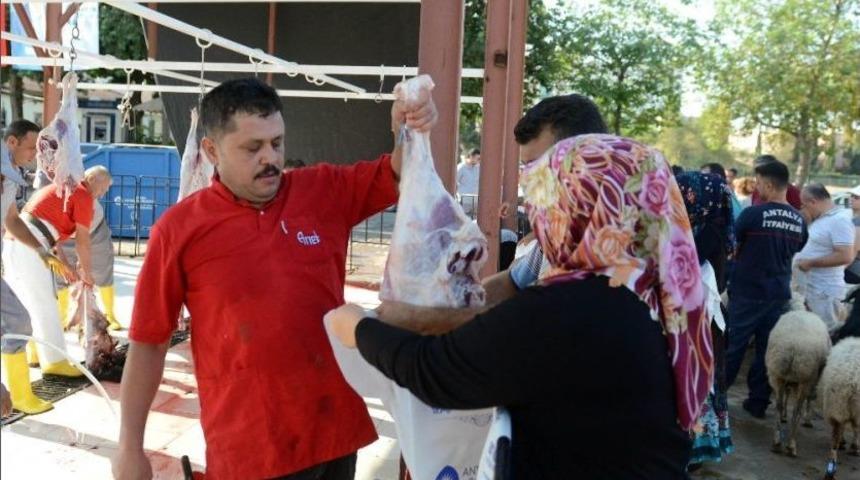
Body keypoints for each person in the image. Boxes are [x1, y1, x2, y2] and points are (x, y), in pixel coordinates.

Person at [111, 77, 437, 480]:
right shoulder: (179, 230)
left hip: (332, 431)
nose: (271, 158)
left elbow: (401, 172)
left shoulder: (321, 191)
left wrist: (408, 128)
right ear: (211, 151)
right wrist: (129, 446)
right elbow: (148, 343)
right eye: (253, 148)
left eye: (277, 143)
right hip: (249, 447)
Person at [330, 134, 710, 479]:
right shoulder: (661, 294)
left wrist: (360, 329)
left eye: (548, 200)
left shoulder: (575, 307)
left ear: (580, 207)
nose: (540, 218)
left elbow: (438, 371)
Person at [375, 93, 610, 332]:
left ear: (585, 161)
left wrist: (425, 319)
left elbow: (537, 319)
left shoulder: (614, 239)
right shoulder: (557, 232)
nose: (528, 180)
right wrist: (452, 303)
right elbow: (512, 282)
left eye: (540, 166)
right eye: (525, 168)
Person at [2, 166, 112, 377]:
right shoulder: (83, 195)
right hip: (31, 243)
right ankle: (55, 361)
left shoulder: (65, 189)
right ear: (91, 180)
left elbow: (50, 232)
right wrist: (87, 274)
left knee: (27, 302)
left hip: (17, 241)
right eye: (104, 187)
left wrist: (64, 264)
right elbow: (82, 241)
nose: (103, 193)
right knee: (46, 304)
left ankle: (34, 353)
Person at [725, 159, 807, 418]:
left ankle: (716, 397)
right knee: (765, 350)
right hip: (778, 295)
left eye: (759, 182)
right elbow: (797, 249)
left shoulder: (753, 215)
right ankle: (758, 401)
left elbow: (732, 244)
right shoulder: (799, 220)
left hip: (747, 293)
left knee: (733, 346)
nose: (756, 187)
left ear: (770, 184)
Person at [675, 172, 735, 468]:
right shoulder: (719, 227)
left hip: (695, 319)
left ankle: (691, 447)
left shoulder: (701, 232)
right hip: (704, 318)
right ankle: (695, 447)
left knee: (693, 380)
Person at [1, 144, 54, 414]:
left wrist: (42, 250)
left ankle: (19, 394)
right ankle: (17, 394)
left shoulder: (8, 184)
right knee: (16, 321)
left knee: (15, 321)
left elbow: (11, 220)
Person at [795, 183, 855, 332]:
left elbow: (845, 255)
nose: (803, 209)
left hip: (825, 293)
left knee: (825, 334)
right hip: (812, 290)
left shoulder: (839, 220)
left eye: (804, 205)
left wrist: (810, 263)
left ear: (813, 202)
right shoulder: (822, 218)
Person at [4, 120, 40, 206]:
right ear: (12, 142)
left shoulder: (18, 168)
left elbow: (25, 176)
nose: (35, 155)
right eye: (32, 148)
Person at [844, 185, 860, 285]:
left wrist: (835, 273)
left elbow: (853, 252)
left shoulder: (858, 222)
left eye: (856, 197)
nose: (852, 198)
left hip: (854, 270)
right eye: (851, 195)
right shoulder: (851, 218)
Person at [457, 148, 480, 215]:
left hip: (475, 200)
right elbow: (455, 181)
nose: (479, 161)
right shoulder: (461, 167)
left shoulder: (478, 168)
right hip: (464, 199)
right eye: (477, 158)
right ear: (471, 157)